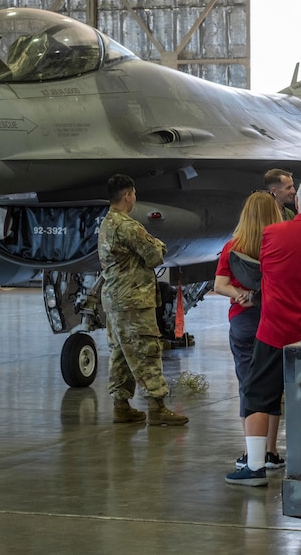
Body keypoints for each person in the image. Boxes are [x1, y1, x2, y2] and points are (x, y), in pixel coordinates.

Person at [225, 177, 301, 486]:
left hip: (273, 332)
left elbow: (259, 270)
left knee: (257, 397)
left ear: (297, 202)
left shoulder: (271, 234)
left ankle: (254, 467)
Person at [98, 174, 187, 426]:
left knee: (121, 353)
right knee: (146, 350)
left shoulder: (106, 223)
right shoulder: (127, 226)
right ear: (128, 196)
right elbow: (155, 254)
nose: (135, 198)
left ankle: (121, 405)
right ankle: (157, 407)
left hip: (115, 299)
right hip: (133, 301)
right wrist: (159, 245)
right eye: (134, 194)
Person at [213, 192, 283, 471]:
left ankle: (249, 452)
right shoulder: (277, 245)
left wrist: (240, 293)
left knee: (248, 386)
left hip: (243, 322)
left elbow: (219, 285)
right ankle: (271, 451)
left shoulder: (233, 247)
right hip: (273, 320)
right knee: (272, 386)